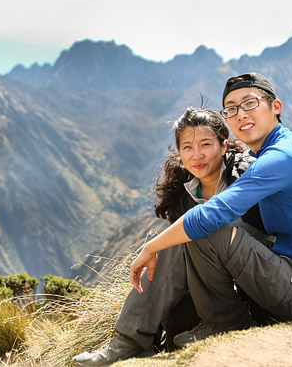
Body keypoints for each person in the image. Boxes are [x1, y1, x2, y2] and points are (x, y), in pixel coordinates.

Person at [128, 72, 292, 349]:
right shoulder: (273, 152)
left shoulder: (282, 156)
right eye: (231, 109)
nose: (241, 114)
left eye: (250, 103)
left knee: (207, 227)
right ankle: (139, 335)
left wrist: (150, 248)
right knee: (207, 231)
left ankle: (224, 324)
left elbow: (214, 213)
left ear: (276, 107)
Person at [72, 106, 269, 366]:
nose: (196, 155)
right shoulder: (183, 194)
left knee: (193, 230)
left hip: (258, 284)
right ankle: (131, 341)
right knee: (183, 236)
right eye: (187, 147)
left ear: (224, 145)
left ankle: (130, 341)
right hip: (211, 294)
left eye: (205, 144)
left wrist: (154, 248)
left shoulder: (246, 176)